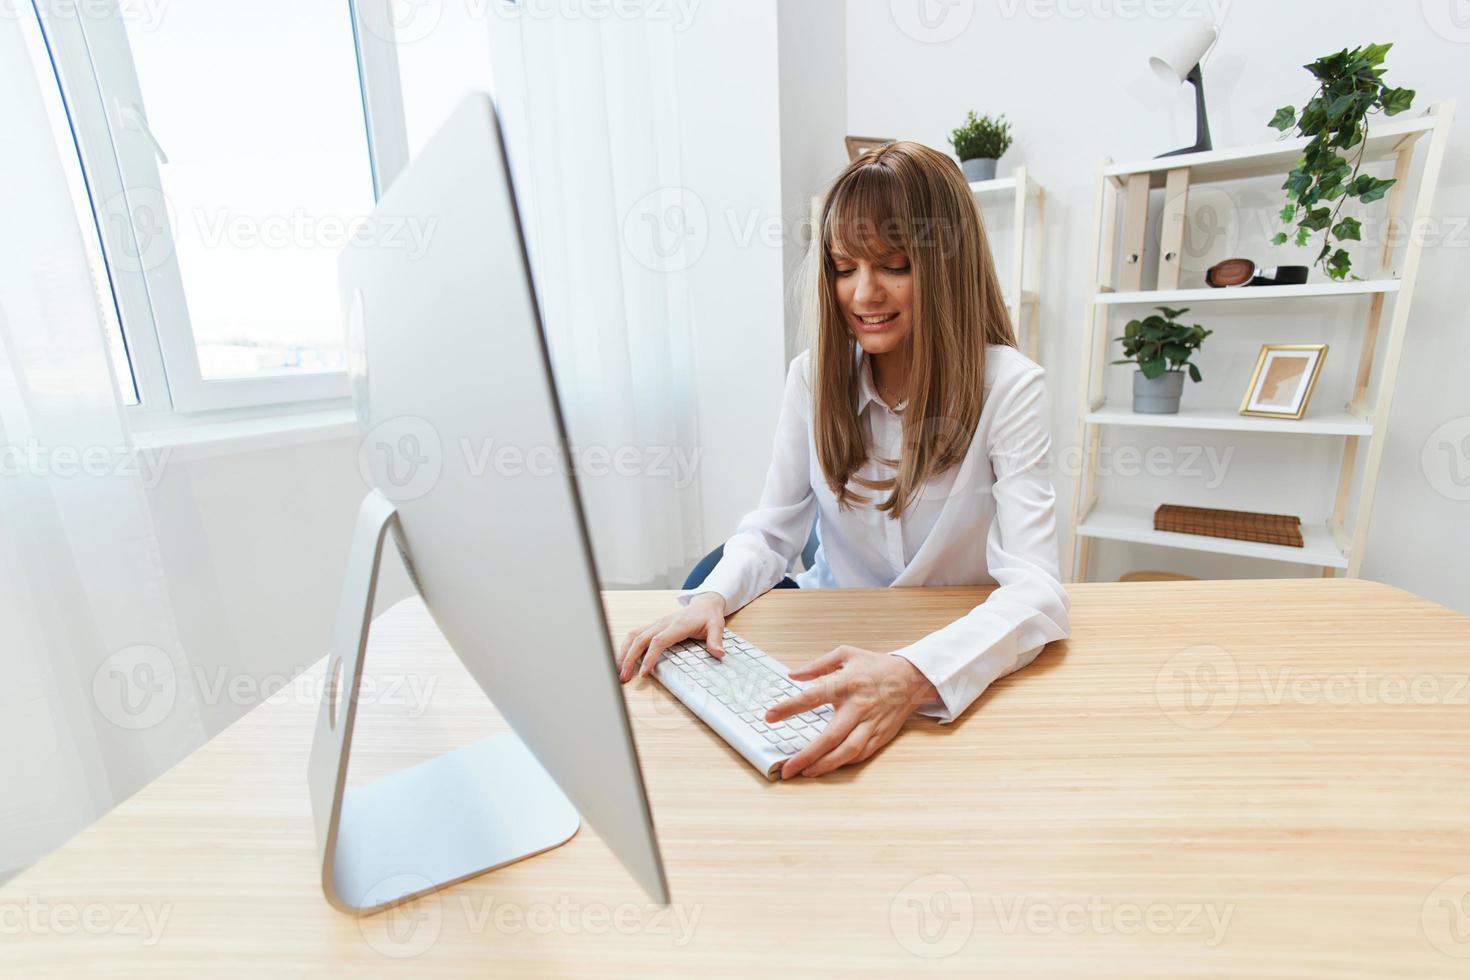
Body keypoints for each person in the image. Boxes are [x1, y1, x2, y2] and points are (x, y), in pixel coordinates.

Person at [617, 140, 1070, 779]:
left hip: (952, 656)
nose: (863, 294)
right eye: (842, 266)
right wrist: (710, 597)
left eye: (894, 264)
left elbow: (1037, 591)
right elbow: (773, 532)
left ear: (945, 267)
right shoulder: (812, 379)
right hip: (823, 639)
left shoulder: (1011, 387)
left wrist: (913, 674)